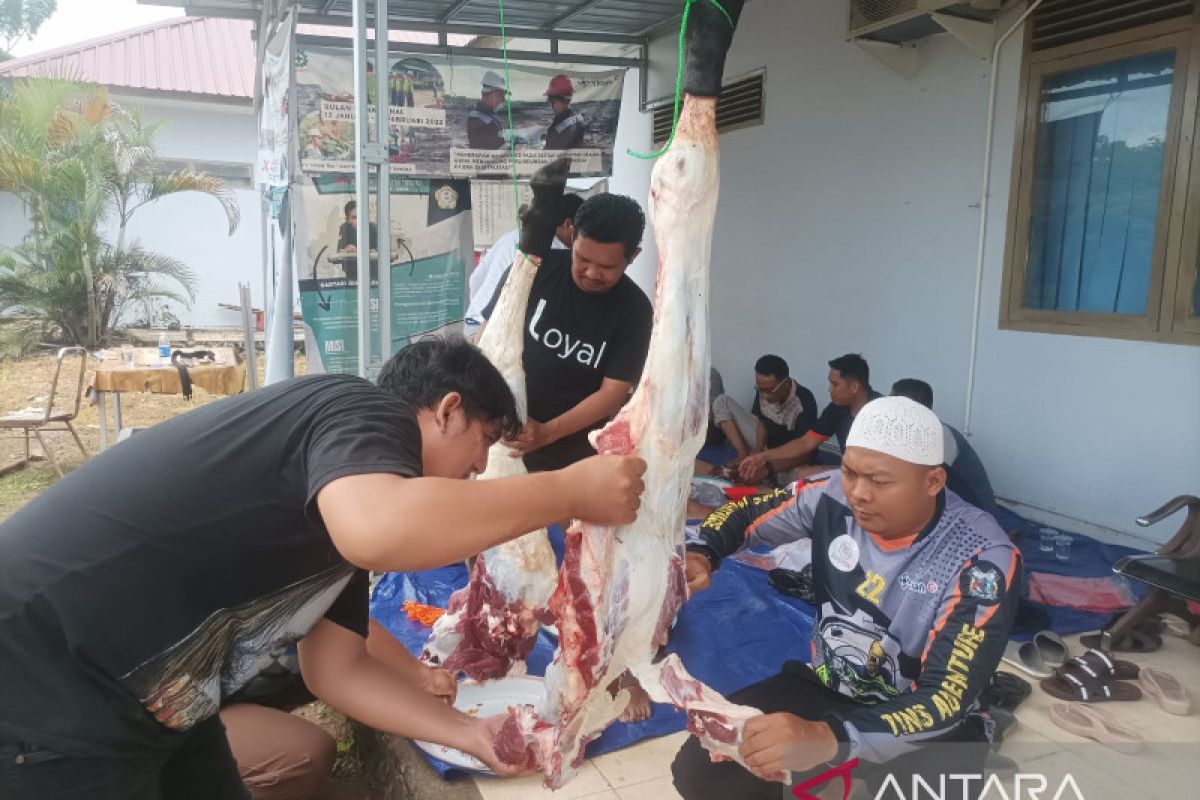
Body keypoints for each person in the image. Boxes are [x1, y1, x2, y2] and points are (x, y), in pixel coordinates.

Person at [0, 337, 646, 800]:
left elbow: (335, 667)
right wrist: (567, 492)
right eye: (478, 452)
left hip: (160, 702)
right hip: (48, 681)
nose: (476, 476)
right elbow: (381, 528)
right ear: (447, 409)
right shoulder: (354, 407)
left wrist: (472, 736)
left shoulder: (337, 523)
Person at [677, 397, 1020, 799]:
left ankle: (981, 731)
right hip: (831, 683)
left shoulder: (981, 558)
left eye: (879, 481)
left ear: (933, 482)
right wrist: (707, 552)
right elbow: (746, 512)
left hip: (922, 714)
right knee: (702, 769)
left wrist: (826, 737)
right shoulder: (830, 495)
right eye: (850, 472)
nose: (859, 493)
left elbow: (944, 697)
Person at [480, 193, 653, 474]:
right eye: (582, 258)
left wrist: (547, 432)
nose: (592, 273)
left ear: (633, 256)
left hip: (572, 457)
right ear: (571, 234)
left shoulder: (635, 311)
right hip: (499, 438)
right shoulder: (534, 271)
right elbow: (489, 337)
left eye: (607, 267)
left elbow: (612, 392)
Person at [739, 353, 880, 484]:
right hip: (849, 472)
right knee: (804, 477)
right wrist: (763, 456)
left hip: (876, 479)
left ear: (854, 386)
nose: (829, 389)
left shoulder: (883, 412)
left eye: (835, 384)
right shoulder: (836, 409)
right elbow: (806, 442)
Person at [466, 195, 582, 326]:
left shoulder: (512, 235)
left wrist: (478, 307)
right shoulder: (557, 253)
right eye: (583, 232)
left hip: (473, 321)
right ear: (568, 225)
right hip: (497, 329)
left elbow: (475, 278)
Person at [890, 378, 999, 520]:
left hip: (976, 514)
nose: (887, 411)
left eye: (891, 405)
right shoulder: (912, 433)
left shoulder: (939, 436)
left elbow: (928, 488)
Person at [467, 70, 509, 150]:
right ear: (488, 94)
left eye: (504, 95)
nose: (503, 99)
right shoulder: (480, 119)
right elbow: (495, 149)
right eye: (500, 95)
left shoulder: (486, 115)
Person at [543, 74, 586, 150]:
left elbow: (549, 157)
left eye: (552, 100)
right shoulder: (579, 118)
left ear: (561, 100)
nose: (552, 105)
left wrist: (550, 137)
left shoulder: (555, 129)